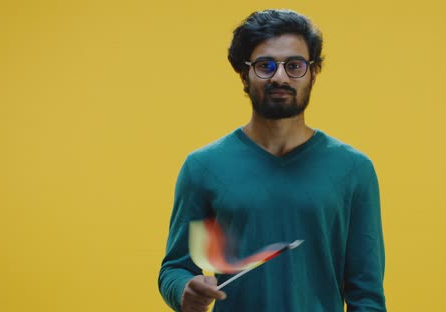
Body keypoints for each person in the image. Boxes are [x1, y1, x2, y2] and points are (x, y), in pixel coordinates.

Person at [158, 9, 387, 312]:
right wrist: (184, 289)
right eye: (265, 65)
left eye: (294, 65)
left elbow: (367, 295)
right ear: (244, 73)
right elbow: (175, 268)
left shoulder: (354, 170)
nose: (280, 77)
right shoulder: (203, 167)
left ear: (313, 72)